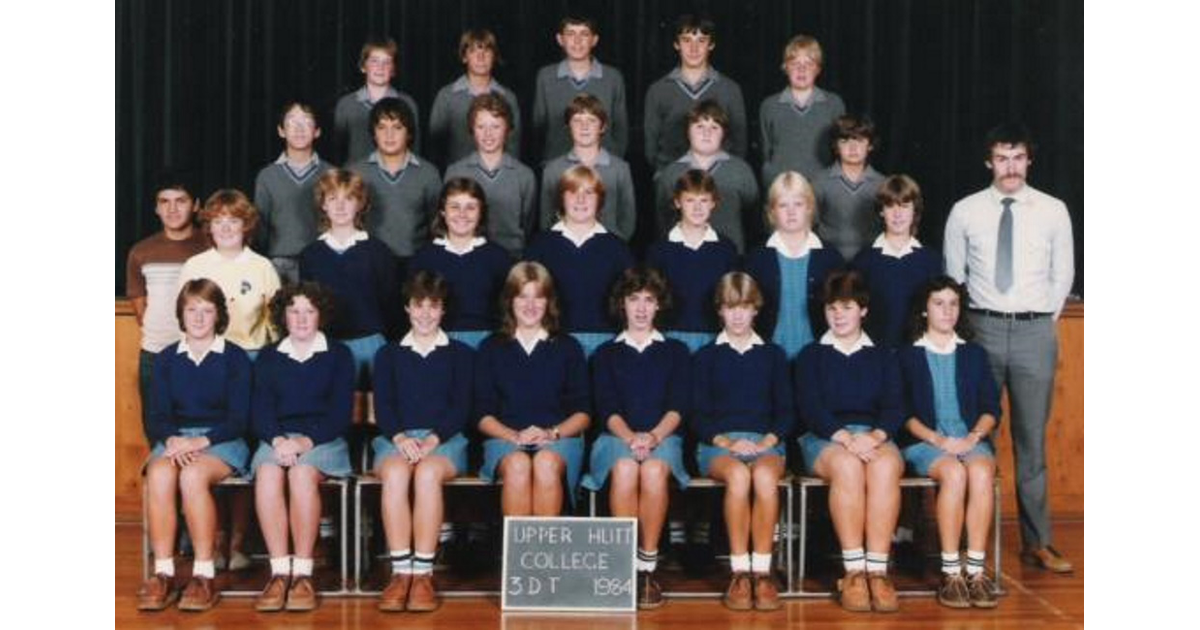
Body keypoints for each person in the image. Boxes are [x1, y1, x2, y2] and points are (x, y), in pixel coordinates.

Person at [943, 122, 1075, 573]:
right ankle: (971, 544)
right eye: (1002, 158)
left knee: (1031, 443)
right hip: (981, 329)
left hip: (1035, 330)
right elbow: (953, 278)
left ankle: (1038, 543)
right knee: (976, 435)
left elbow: (1063, 276)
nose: (1011, 167)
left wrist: (1038, 320)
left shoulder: (1054, 210)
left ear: (1029, 161)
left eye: (1018, 157)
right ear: (989, 162)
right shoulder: (965, 211)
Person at [137, 279, 252, 612]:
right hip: (176, 439)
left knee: (191, 477)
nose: (199, 318)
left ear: (218, 316)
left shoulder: (235, 358)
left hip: (222, 440)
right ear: (180, 314)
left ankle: (203, 575)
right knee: (159, 475)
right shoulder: (166, 359)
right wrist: (173, 439)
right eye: (191, 310)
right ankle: (164, 573)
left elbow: (239, 418)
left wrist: (201, 441)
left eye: (207, 310)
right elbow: (156, 415)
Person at [794, 270, 905, 613]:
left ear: (863, 310)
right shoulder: (811, 355)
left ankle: (878, 572)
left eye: (846, 307)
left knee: (885, 466)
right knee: (847, 466)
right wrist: (845, 438)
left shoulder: (883, 355)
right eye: (831, 308)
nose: (838, 315)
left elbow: (895, 405)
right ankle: (854, 571)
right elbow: (810, 407)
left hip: (873, 435)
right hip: (825, 437)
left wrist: (873, 436)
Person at [585, 266, 691, 609]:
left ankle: (646, 567)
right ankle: (622, 567)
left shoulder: (675, 351)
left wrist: (654, 437)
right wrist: (632, 439)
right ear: (622, 305)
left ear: (659, 305)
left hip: (664, 438)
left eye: (649, 300)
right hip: (616, 437)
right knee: (627, 469)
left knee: (654, 471)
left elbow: (678, 405)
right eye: (634, 300)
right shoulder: (606, 354)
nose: (642, 308)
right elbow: (606, 406)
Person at [371, 271, 475, 612]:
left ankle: (424, 575)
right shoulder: (388, 354)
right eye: (419, 305)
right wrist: (400, 437)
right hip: (396, 438)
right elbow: (384, 405)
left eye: (434, 306)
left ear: (443, 310)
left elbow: (460, 406)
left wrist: (433, 439)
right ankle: (401, 573)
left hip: (445, 440)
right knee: (397, 474)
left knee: (428, 472)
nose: (426, 314)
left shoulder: (460, 353)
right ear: (407, 308)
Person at [249, 283, 355, 612]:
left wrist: (304, 442)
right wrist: (279, 440)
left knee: (300, 474)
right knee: (267, 472)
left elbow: (339, 413)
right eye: (294, 311)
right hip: (278, 438)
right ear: (283, 315)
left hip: (322, 439)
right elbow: (260, 409)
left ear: (321, 315)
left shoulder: (338, 354)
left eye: (309, 311)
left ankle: (303, 575)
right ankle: (280, 571)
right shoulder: (269, 356)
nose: (302, 318)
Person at [690, 272, 792, 612]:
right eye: (731, 307)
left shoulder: (773, 355)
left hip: (766, 444)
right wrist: (728, 443)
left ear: (755, 310)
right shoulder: (706, 357)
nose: (737, 315)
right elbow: (698, 414)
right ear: (720, 310)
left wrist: (766, 442)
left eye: (745, 307)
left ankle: (762, 573)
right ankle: (739, 573)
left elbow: (786, 411)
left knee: (763, 477)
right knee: (738, 476)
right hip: (719, 446)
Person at [898, 276, 1001, 609]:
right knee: (954, 475)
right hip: (926, 440)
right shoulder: (907, 355)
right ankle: (951, 571)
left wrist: (971, 438)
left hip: (968, 438)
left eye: (953, 303)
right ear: (925, 310)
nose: (947, 311)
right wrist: (940, 440)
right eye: (938, 303)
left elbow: (991, 408)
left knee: (982, 472)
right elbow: (903, 414)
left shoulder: (974, 354)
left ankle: (975, 570)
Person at [474, 262, 590, 516]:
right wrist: (514, 436)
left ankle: (545, 554)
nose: (530, 305)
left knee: (545, 463)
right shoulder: (491, 347)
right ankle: (519, 555)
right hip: (505, 440)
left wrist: (551, 434)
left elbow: (583, 412)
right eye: (522, 296)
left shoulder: (568, 347)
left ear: (549, 302)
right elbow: (482, 414)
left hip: (558, 440)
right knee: (518, 465)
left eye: (538, 297)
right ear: (509, 301)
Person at [299, 168, 400, 387]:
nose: (341, 206)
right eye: (333, 198)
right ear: (323, 205)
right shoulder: (311, 255)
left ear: (360, 204)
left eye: (349, 198)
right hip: (326, 345)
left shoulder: (379, 252)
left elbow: (392, 307)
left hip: (371, 344)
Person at [126, 172, 209, 439]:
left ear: (196, 205)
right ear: (156, 207)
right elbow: (141, 309)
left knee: (203, 435)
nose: (172, 209)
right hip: (156, 353)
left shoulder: (211, 246)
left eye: (180, 201)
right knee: (159, 437)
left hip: (202, 353)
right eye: (164, 201)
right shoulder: (141, 251)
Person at [526, 165, 634, 358]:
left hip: (606, 342)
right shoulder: (539, 246)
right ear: (561, 198)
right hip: (553, 342)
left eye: (589, 193)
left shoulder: (618, 249)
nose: (581, 199)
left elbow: (628, 303)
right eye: (572, 192)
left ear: (600, 199)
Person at [744, 171, 844, 360]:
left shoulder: (830, 258)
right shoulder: (756, 260)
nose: (791, 212)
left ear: (809, 208)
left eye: (798, 204)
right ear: (772, 211)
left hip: (819, 357)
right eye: (783, 205)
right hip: (767, 357)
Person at [409, 178, 513, 349]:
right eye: (454, 207)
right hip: (437, 342)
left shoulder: (499, 258)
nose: (462, 214)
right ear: (442, 211)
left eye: (471, 207)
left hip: (487, 342)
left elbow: (508, 310)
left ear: (481, 212)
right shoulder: (423, 258)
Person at [178, 189, 281, 359]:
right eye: (217, 221)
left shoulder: (263, 267)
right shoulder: (193, 266)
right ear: (209, 227)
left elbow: (276, 323)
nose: (225, 228)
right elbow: (181, 319)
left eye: (233, 221)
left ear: (246, 225)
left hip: (252, 355)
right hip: (205, 354)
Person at [645, 169, 739, 353]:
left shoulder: (726, 249)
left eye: (703, 200)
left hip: (715, 338)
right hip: (669, 336)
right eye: (690, 200)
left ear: (714, 203)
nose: (697, 208)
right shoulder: (659, 250)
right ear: (677, 202)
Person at [643, 14, 747, 171]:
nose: (694, 48)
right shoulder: (658, 90)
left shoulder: (730, 89)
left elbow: (740, 144)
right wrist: (668, 175)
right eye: (686, 40)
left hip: (718, 181)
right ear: (676, 44)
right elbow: (651, 148)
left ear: (711, 45)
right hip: (674, 181)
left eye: (701, 41)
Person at [653, 100, 758, 253]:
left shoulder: (741, 171)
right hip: (682, 254)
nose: (706, 133)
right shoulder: (671, 173)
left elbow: (752, 218)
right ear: (688, 131)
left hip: (732, 256)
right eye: (699, 126)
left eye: (714, 127)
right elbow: (662, 219)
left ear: (724, 133)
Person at [851, 174, 942, 348]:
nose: (897, 214)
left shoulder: (931, 260)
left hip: (918, 353)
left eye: (905, 206)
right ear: (881, 211)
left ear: (915, 211)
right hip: (876, 353)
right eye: (890, 206)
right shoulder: (863, 261)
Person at [350, 97, 442, 268]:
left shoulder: (428, 173)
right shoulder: (357, 172)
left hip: (416, 264)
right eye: (382, 127)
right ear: (373, 133)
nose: (389, 135)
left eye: (397, 127)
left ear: (409, 133)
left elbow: (437, 225)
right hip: (369, 263)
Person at [444, 94, 537, 258]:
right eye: (481, 127)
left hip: (512, 260)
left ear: (507, 128)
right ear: (472, 129)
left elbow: (528, 225)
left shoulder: (524, 176)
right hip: (467, 257)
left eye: (495, 126)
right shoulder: (455, 172)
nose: (488, 134)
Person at [253, 102, 332, 284]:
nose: (299, 128)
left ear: (317, 131)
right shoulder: (267, 176)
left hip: (321, 260)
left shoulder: (331, 174)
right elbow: (261, 227)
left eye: (306, 122)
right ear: (281, 131)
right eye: (292, 122)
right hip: (278, 263)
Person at [539, 94, 636, 241]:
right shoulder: (552, 170)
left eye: (592, 120)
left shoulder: (620, 169)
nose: (584, 127)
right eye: (577, 120)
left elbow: (627, 220)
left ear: (602, 127)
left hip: (608, 248)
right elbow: (546, 220)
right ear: (568, 126)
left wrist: (615, 244)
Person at [532, 15, 628, 163]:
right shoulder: (546, 76)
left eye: (584, 34)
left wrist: (613, 163)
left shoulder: (613, 78)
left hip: (602, 167)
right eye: (570, 34)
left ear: (594, 40)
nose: (577, 41)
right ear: (560, 39)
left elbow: (621, 129)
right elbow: (539, 127)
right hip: (558, 165)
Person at [759, 34, 846, 186]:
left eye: (809, 64)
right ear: (785, 67)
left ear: (818, 69)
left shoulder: (833, 104)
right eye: (795, 63)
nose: (802, 69)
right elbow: (766, 152)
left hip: (822, 189)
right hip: (783, 191)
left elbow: (840, 151)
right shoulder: (770, 106)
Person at [428, 28, 522, 166]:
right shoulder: (446, 96)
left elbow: (514, 147)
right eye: (473, 51)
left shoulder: (508, 97)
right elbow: (434, 147)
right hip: (458, 180)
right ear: (464, 57)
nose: (481, 57)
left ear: (494, 56)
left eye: (486, 51)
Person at [334, 37, 421, 165]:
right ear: (363, 67)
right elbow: (338, 152)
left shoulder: (407, 103)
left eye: (387, 62)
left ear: (393, 70)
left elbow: (415, 149)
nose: (380, 67)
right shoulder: (346, 104)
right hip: (356, 179)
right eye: (374, 61)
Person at [813, 114, 886, 262]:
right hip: (828, 260)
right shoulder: (819, 181)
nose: (853, 148)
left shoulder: (882, 184)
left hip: (870, 260)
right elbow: (809, 225)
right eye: (844, 141)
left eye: (859, 140)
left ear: (870, 145)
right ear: (835, 146)